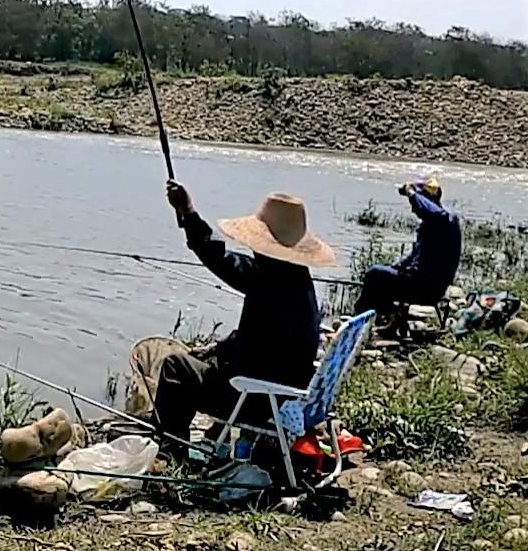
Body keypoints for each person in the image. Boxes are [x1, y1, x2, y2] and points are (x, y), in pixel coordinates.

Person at [153, 181, 334, 448]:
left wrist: (188, 213)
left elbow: (220, 258)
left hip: (256, 400)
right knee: (202, 360)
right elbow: (262, 338)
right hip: (286, 394)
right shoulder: (296, 279)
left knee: (175, 367)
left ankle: (169, 449)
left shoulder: (268, 280)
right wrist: (216, 350)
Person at [354, 178, 463, 321]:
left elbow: (436, 214)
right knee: (382, 276)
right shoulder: (434, 225)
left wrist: (411, 193)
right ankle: (387, 320)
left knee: (373, 274)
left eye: (415, 204)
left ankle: (364, 319)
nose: (413, 209)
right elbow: (413, 258)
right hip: (421, 283)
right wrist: (394, 268)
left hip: (426, 289)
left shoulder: (444, 221)